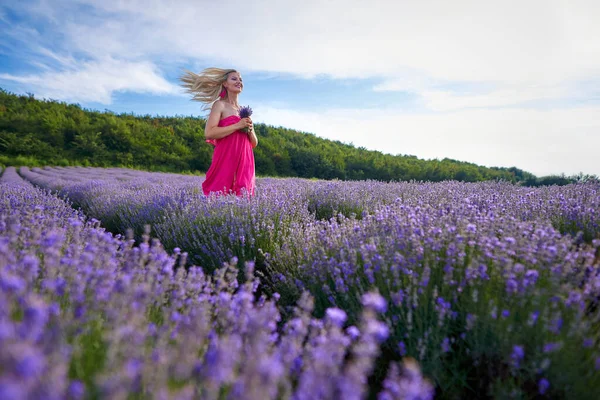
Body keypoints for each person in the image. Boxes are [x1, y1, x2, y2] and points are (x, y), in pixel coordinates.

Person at [180, 67, 258, 196]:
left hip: (245, 159)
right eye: (234, 79)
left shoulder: (244, 111)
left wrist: (249, 129)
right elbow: (209, 133)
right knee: (218, 194)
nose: (239, 81)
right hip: (226, 157)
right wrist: (237, 126)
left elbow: (254, 143)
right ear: (225, 84)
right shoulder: (219, 105)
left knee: (243, 198)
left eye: (240, 79)